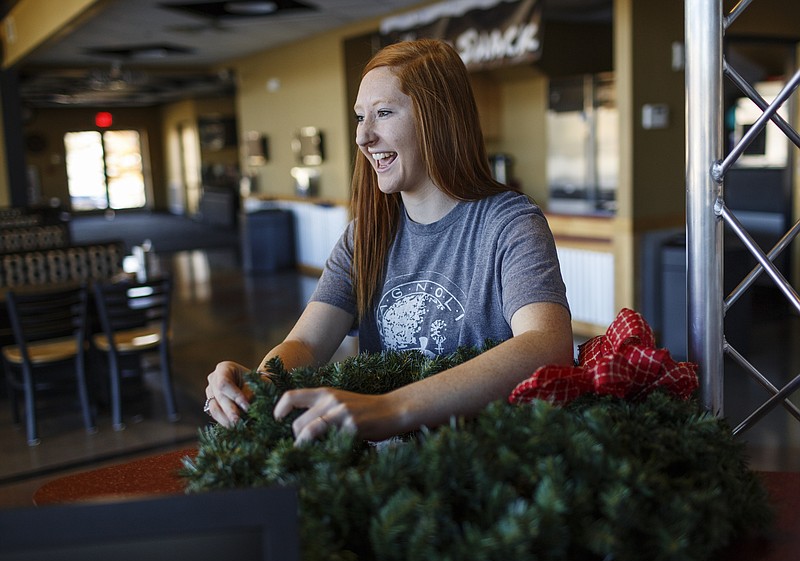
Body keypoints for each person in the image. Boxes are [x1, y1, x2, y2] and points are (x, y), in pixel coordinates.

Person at [204, 38, 573, 444]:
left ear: (439, 120)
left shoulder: (510, 223)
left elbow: (547, 345)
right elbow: (307, 343)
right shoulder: (364, 235)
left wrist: (391, 408)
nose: (363, 137)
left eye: (383, 113)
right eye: (360, 117)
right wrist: (259, 383)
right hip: (386, 477)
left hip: (481, 466)